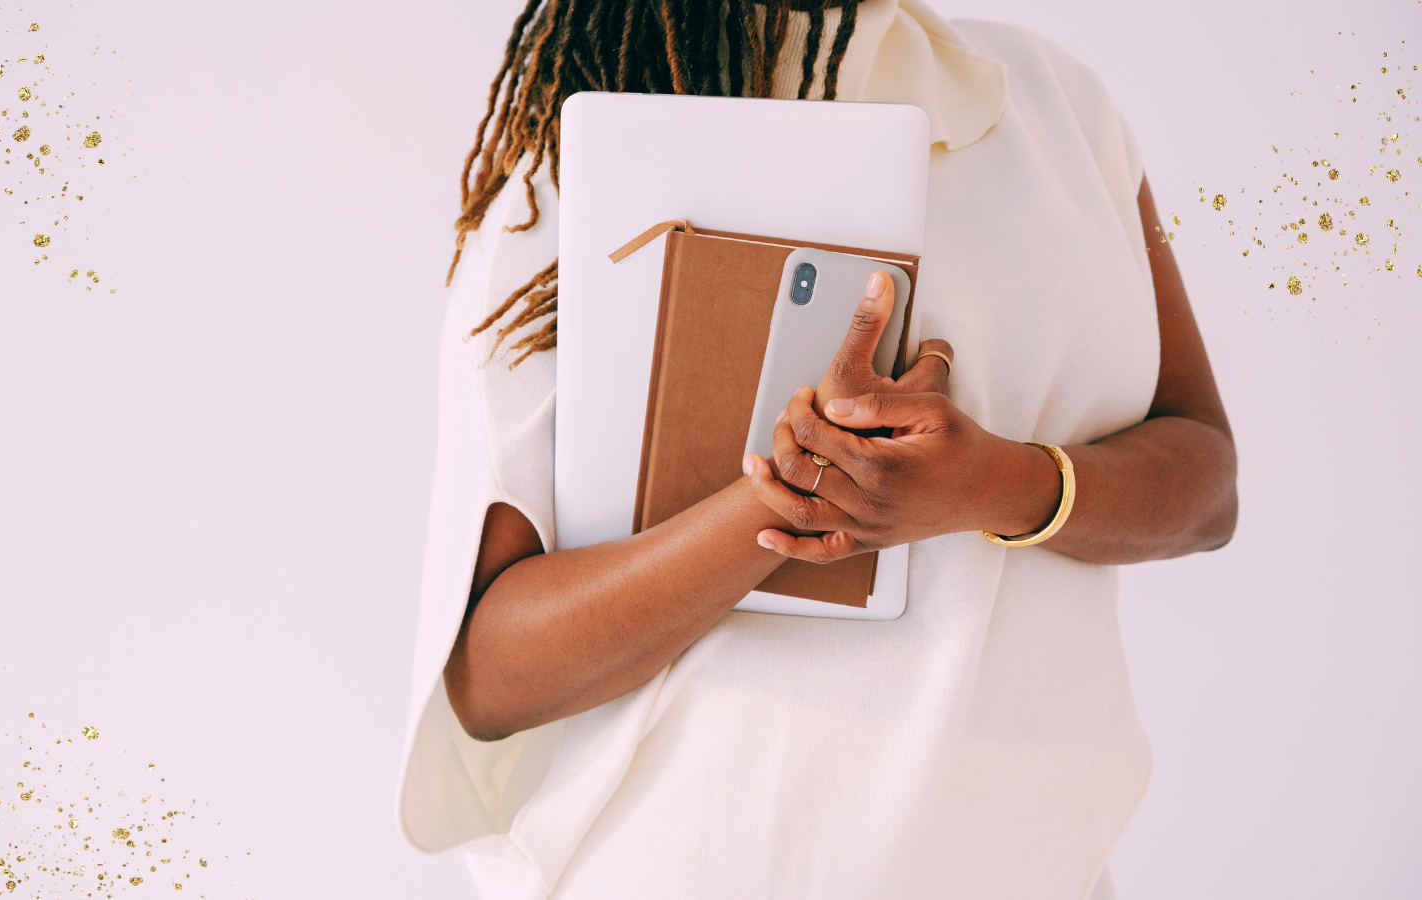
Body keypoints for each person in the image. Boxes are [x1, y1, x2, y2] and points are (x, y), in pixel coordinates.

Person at [400, 1, 1237, 898]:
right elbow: (491, 677)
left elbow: (1205, 481)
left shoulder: (1064, 107)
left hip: (1029, 868)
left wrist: (996, 483)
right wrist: (801, 488)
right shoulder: (603, 130)